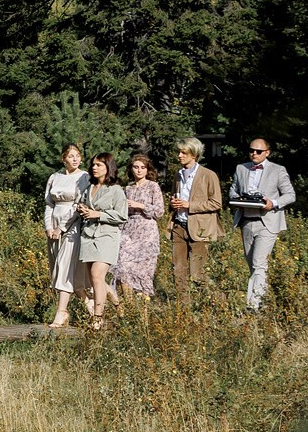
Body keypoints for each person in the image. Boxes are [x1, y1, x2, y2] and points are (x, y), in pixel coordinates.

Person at [228, 136, 296, 312]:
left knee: (259, 263)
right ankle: (263, 302)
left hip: (267, 223)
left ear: (267, 152)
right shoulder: (241, 168)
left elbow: (290, 195)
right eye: (251, 150)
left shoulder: (278, 170)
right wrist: (238, 198)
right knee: (253, 265)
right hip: (246, 222)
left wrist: (273, 202)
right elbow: (233, 190)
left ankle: (253, 307)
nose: (254, 154)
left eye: (258, 151)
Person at [42, 144, 91, 327]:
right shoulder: (55, 177)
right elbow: (48, 204)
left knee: (65, 266)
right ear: (64, 159)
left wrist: (62, 228)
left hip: (72, 226)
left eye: (77, 155)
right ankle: (91, 305)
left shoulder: (84, 176)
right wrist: (49, 227)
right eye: (71, 156)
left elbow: (79, 205)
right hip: (53, 224)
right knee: (58, 268)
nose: (75, 159)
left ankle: (62, 312)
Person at [76, 153, 128, 323]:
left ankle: (98, 319)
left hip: (106, 236)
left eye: (99, 165)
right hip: (88, 235)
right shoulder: (89, 188)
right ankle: (119, 307)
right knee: (95, 280)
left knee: (97, 275)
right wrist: (82, 209)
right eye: (93, 165)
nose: (94, 168)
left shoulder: (116, 190)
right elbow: (85, 206)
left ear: (108, 167)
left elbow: (122, 215)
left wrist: (98, 214)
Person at [169, 137, 224, 298]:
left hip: (200, 228)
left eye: (183, 152)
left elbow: (216, 203)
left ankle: (214, 302)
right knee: (178, 271)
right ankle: (183, 310)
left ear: (194, 154)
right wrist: (173, 204)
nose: (179, 155)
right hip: (179, 226)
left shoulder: (208, 175)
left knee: (197, 273)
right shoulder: (178, 175)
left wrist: (190, 205)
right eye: (179, 152)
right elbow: (175, 198)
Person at [117, 152, 165, 300]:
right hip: (129, 230)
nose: (139, 170)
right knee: (123, 267)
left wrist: (140, 206)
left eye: (142, 167)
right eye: (136, 167)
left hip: (147, 230)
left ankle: (143, 315)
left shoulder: (153, 186)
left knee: (144, 271)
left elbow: (159, 211)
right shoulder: (128, 189)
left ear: (147, 169)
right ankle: (129, 307)